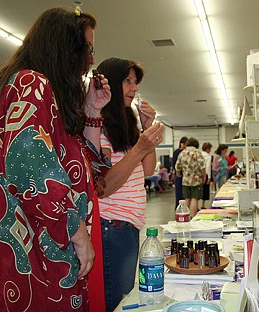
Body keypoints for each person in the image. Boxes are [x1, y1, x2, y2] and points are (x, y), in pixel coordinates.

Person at [0, 8, 112, 311]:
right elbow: (32, 171)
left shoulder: (29, 90)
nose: (92, 59)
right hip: (36, 248)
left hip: (29, 243)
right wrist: (77, 231)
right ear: (66, 47)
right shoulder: (32, 84)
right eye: (88, 49)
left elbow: (81, 167)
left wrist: (93, 111)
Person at [95, 57, 164, 311]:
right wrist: (139, 148)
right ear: (111, 82)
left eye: (135, 82)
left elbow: (147, 169)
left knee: (123, 294)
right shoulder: (98, 125)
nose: (134, 88)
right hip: (112, 226)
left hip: (128, 226)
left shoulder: (127, 123)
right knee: (116, 300)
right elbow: (104, 186)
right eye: (127, 81)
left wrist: (146, 132)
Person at [175, 137, 206, 217]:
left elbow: (177, 166)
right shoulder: (198, 153)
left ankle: (185, 216)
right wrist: (204, 176)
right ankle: (192, 217)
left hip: (185, 180)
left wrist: (178, 174)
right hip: (196, 179)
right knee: (195, 199)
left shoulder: (182, 153)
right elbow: (202, 166)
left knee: (187, 198)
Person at [172, 136, 188, 209]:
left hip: (186, 176)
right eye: (183, 144)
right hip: (178, 176)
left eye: (186, 144)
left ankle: (185, 207)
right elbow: (174, 164)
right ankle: (178, 208)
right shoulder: (177, 152)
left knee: (185, 194)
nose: (185, 146)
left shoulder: (186, 152)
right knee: (179, 193)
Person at [200, 142, 213, 209]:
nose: (210, 150)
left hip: (198, 174)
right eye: (210, 149)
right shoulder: (208, 156)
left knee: (198, 190)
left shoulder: (199, 154)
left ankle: (196, 205)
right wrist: (209, 177)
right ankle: (203, 205)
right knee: (205, 190)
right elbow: (208, 167)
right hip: (205, 174)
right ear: (207, 148)